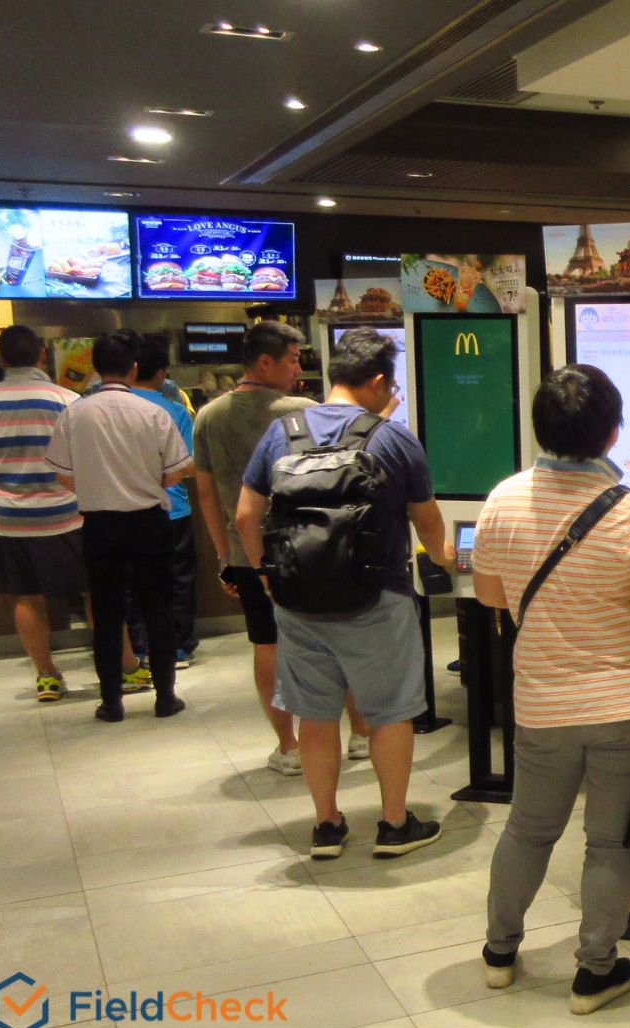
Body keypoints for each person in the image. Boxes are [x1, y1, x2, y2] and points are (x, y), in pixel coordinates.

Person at [471, 364, 630, 1015]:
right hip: (623, 706)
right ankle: (595, 971)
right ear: (613, 431)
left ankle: (500, 953)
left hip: (541, 704)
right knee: (610, 839)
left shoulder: (502, 501)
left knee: (528, 831)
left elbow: (489, 595)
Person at [237, 327, 448, 858]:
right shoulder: (392, 437)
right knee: (390, 712)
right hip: (379, 597)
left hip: (299, 599)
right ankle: (394, 824)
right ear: (378, 381)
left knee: (315, 712)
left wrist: (270, 575)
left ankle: (327, 825)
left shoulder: (280, 432)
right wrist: (444, 559)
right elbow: (427, 522)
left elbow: (245, 513)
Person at [193, 322, 369, 775]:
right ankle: (361, 735)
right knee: (335, 637)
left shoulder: (209, 416)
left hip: (247, 551)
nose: (298, 368)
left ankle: (289, 746)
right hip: (313, 546)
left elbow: (208, 495)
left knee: (266, 643)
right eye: (292, 359)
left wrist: (224, 556)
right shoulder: (306, 411)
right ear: (266, 362)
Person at [0, 326, 148, 702]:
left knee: (26, 597)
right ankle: (127, 667)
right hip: (69, 515)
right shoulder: (66, 400)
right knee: (98, 592)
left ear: (1, 359)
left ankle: (47, 677)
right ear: (43, 356)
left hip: (10, 518)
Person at [46, 329, 191, 722]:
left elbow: (62, 474)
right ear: (134, 368)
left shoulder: (75, 412)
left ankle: (111, 702)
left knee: (108, 615)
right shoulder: (155, 412)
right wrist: (145, 482)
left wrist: (96, 485)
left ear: (95, 368)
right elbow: (178, 471)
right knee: (157, 610)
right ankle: (165, 698)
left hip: (99, 525)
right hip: (150, 522)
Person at [122, 341, 199, 667]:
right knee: (177, 580)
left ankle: (137, 647)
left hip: (124, 510)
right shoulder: (175, 410)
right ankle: (177, 647)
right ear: (163, 373)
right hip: (173, 508)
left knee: (132, 583)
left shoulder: (109, 408)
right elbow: (190, 465)